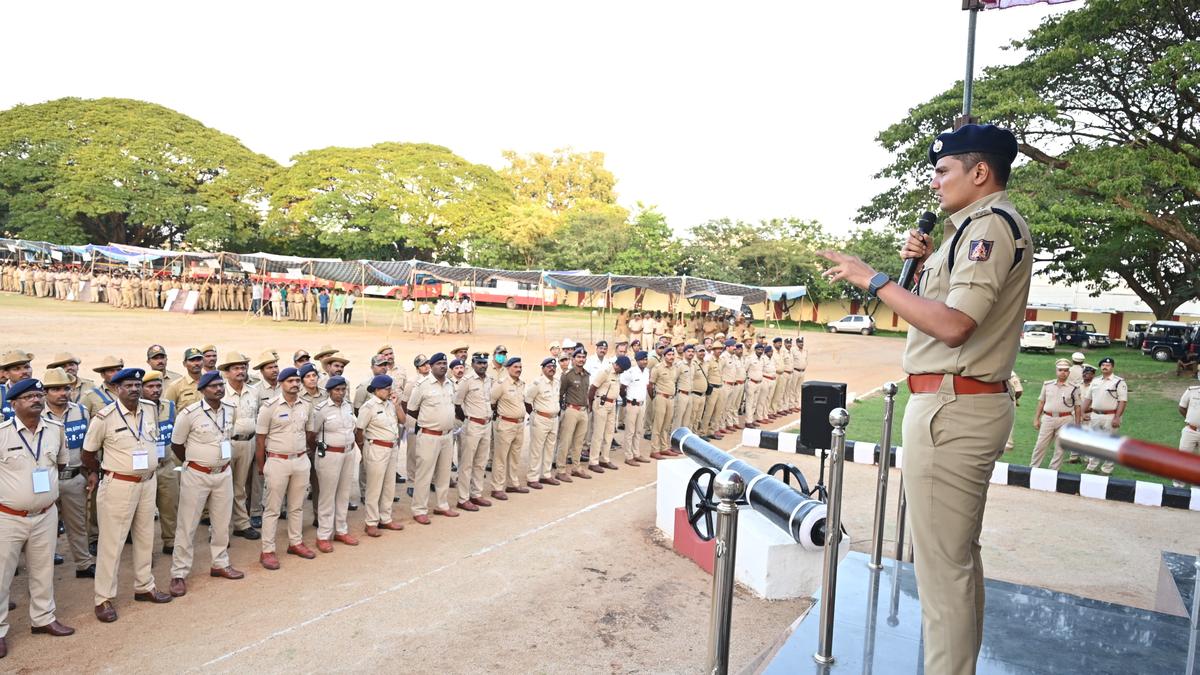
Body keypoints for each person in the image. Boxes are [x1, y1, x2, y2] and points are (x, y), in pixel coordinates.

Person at [818, 123, 1032, 673]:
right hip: (955, 402)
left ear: (979, 172)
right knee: (954, 560)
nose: (934, 184)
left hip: (952, 408)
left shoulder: (988, 229)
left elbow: (956, 325)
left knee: (941, 569)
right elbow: (935, 309)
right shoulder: (970, 233)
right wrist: (928, 261)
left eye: (943, 171)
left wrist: (875, 280)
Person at [82, 368, 174, 622]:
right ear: (116, 389)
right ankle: (103, 599)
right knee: (112, 543)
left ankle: (145, 586)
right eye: (128, 385)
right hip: (119, 484)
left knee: (146, 537)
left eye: (137, 384)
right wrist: (98, 472)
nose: (134, 389)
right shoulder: (104, 417)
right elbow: (88, 453)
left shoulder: (149, 408)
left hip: (147, 482)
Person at [0, 379, 75, 657]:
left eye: (38, 395)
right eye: (29, 396)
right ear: (14, 403)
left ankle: (43, 619)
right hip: (8, 518)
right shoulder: (3, 433)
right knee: (2, 575)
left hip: (45, 514)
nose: (36, 400)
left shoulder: (55, 429)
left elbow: (61, 462)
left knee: (43, 570)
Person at [167, 371, 244, 597]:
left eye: (221, 385)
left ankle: (220, 563)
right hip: (197, 475)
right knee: (187, 524)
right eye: (213, 386)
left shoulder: (230, 410)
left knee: (221, 522)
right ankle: (178, 573)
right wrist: (197, 463)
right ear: (202, 390)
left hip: (223, 474)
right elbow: (177, 445)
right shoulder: (189, 414)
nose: (219, 389)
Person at [254, 367, 315, 569]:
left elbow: (309, 433)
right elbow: (260, 439)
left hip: (300, 460)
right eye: (290, 381)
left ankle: (295, 543)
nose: (295, 384)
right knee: (272, 509)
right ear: (281, 383)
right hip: (277, 461)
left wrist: (300, 453)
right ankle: (268, 550)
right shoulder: (269, 407)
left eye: (297, 380)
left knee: (297, 506)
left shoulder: (305, 406)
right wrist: (262, 466)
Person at [41, 368, 95, 578]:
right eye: (55, 389)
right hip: (47, 480)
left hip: (74, 479)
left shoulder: (81, 412)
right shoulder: (37, 414)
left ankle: (83, 564)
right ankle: (43, 571)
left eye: (66, 388)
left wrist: (91, 471)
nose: (62, 393)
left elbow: (89, 446)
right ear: (46, 392)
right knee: (44, 529)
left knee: (78, 524)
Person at [307, 376, 360, 551]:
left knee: (344, 493)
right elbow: (311, 435)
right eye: (337, 390)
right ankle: (323, 535)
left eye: (343, 389)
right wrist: (322, 450)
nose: (341, 393)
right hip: (329, 454)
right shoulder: (321, 409)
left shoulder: (348, 406)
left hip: (348, 452)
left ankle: (341, 530)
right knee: (327, 496)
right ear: (329, 391)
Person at [405, 353, 458, 524]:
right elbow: (412, 409)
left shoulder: (450, 384)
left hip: (447, 435)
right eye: (439, 364)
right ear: (432, 366)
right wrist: (429, 421)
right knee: (424, 474)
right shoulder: (422, 385)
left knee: (444, 472)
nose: (442, 366)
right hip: (429, 435)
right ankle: (419, 509)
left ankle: (442, 505)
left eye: (445, 363)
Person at [355, 374, 404, 535]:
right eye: (386, 389)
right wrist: (363, 449)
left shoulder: (390, 404)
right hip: (376, 447)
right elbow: (359, 430)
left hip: (392, 447)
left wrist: (397, 405)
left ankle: (385, 518)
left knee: (389, 486)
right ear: (377, 390)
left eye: (390, 388)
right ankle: (371, 522)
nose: (389, 391)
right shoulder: (368, 407)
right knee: (374, 487)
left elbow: (403, 420)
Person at [219, 352, 261, 540]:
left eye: (243, 367)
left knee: (240, 486)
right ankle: (221, 530)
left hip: (249, 442)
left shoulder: (253, 391)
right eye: (235, 368)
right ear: (226, 373)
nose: (240, 371)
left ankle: (241, 524)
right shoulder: (220, 392)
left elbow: (258, 415)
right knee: (224, 488)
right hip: (228, 443)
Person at [142, 372, 179, 555]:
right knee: (145, 513)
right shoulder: (137, 409)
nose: (155, 390)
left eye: (158, 386)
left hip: (166, 464)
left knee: (170, 505)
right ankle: (145, 550)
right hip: (145, 470)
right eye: (150, 387)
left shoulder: (169, 406)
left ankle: (170, 541)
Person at [454, 352, 494, 510]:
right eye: (479, 363)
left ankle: (476, 494)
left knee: (481, 462)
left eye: (484, 363)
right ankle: (463, 498)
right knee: (467, 463)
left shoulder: (489, 380)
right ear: (472, 363)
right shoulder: (467, 381)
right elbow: (457, 404)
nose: (482, 365)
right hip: (472, 425)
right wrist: (467, 419)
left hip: (486, 424)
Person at [1031, 359, 1082, 469]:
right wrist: (1036, 418)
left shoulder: (1074, 388)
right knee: (1040, 445)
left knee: (1060, 448)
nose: (1063, 373)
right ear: (1056, 371)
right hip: (1048, 417)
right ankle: (1033, 468)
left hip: (1066, 419)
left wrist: (1077, 425)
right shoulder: (1047, 385)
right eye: (1060, 370)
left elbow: (1078, 407)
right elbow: (1041, 402)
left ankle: (1053, 471)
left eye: (1065, 370)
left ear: (1069, 372)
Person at [489, 357, 529, 498]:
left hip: (519, 424)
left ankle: (513, 484)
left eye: (520, 367)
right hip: (505, 424)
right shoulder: (501, 384)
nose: (518, 369)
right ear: (508, 368)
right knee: (500, 457)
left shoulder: (521, 384)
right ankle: (497, 487)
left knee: (515, 456)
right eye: (515, 367)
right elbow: (491, 401)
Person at [1083, 357, 1127, 475]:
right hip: (1095, 414)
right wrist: (1082, 412)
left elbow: (1122, 401)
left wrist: (1117, 417)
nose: (1105, 367)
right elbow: (1088, 398)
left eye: (1107, 365)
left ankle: (1107, 469)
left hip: (1110, 415)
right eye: (1103, 365)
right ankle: (1092, 466)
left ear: (1112, 367)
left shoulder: (1119, 382)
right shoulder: (1095, 381)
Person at [557, 349, 590, 479]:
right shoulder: (567, 375)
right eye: (579, 357)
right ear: (573, 359)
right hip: (571, 410)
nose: (581, 359)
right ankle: (560, 470)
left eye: (583, 357)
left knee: (579, 441)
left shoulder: (587, 375)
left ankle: (576, 467)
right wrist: (562, 410)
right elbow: (560, 393)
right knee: (565, 441)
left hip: (583, 411)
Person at [592, 355, 628, 467]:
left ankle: (605, 459)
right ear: (617, 365)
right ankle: (593, 461)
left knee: (609, 433)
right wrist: (590, 405)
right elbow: (592, 388)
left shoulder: (617, 374)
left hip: (612, 405)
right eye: (622, 369)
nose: (623, 372)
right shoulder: (605, 371)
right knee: (598, 434)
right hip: (601, 404)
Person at [648, 347, 678, 459]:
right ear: (664, 356)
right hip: (661, 397)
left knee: (666, 425)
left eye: (672, 354)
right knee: (658, 425)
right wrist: (654, 398)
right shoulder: (658, 368)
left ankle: (664, 448)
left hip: (671, 399)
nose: (671, 357)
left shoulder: (675, 368)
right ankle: (654, 450)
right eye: (669, 354)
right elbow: (650, 385)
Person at [1176, 378, 1200, 488]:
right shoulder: (1192, 391)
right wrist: (1190, 419)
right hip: (1190, 431)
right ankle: (1178, 486)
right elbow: (1181, 407)